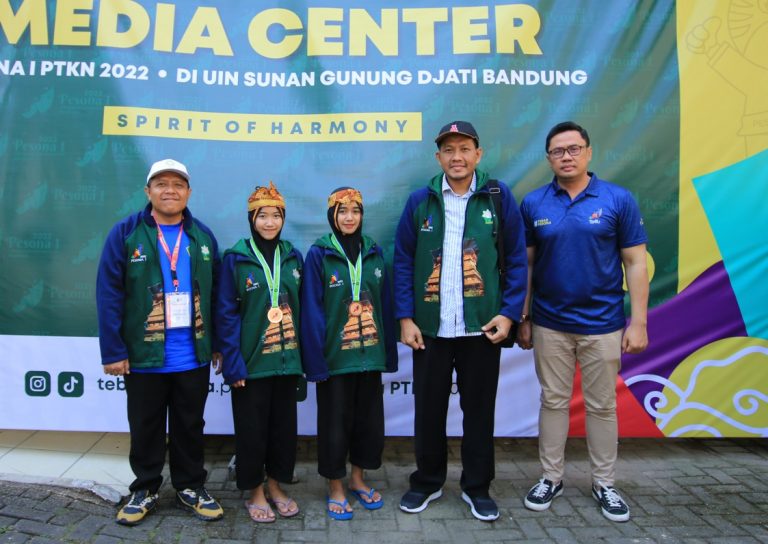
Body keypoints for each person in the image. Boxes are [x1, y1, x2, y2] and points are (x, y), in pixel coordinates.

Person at [393, 121, 527, 521]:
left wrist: (508, 313)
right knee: (428, 410)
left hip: (482, 328)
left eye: (464, 148)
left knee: (479, 411)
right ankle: (427, 482)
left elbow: (517, 260)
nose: (457, 157)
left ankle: (477, 487)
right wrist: (405, 316)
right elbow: (403, 260)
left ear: (478, 154)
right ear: (438, 158)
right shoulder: (421, 201)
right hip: (431, 329)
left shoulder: (498, 198)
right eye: (448, 150)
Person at [517, 121, 649, 522]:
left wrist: (638, 322)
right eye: (558, 151)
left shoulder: (617, 199)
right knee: (553, 401)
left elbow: (636, 261)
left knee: (602, 406)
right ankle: (550, 477)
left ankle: (605, 483)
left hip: (603, 323)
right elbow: (526, 264)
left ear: (588, 152)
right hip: (549, 323)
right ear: (549, 158)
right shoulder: (534, 203)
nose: (567, 156)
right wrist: (523, 316)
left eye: (574, 149)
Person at [96, 158, 224, 526]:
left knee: (189, 425)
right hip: (143, 356)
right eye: (162, 183)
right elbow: (108, 295)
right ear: (148, 191)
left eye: (178, 184)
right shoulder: (126, 233)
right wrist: (114, 350)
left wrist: (216, 344)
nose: (170, 190)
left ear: (188, 192)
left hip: (193, 355)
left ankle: (189, 486)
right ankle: (146, 488)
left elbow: (216, 294)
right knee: (146, 425)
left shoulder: (202, 236)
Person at [300, 187, 398, 521]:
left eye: (355, 211)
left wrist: (388, 354)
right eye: (342, 211)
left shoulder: (374, 251)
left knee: (368, 423)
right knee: (335, 425)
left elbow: (384, 305)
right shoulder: (319, 255)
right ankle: (336, 486)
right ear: (332, 216)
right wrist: (316, 360)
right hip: (335, 358)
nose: (349, 217)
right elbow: (311, 310)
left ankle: (358, 478)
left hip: (369, 354)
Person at [217, 182, 303, 523]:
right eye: (262, 216)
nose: (269, 222)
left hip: (286, 361)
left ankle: (277, 486)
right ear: (252, 219)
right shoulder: (236, 259)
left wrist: (302, 360)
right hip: (251, 364)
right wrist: (233, 364)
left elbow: (302, 308)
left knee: (284, 431)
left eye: (276, 216)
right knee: (252, 432)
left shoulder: (294, 256)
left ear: (283, 218)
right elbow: (226, 313)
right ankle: (254, 491)